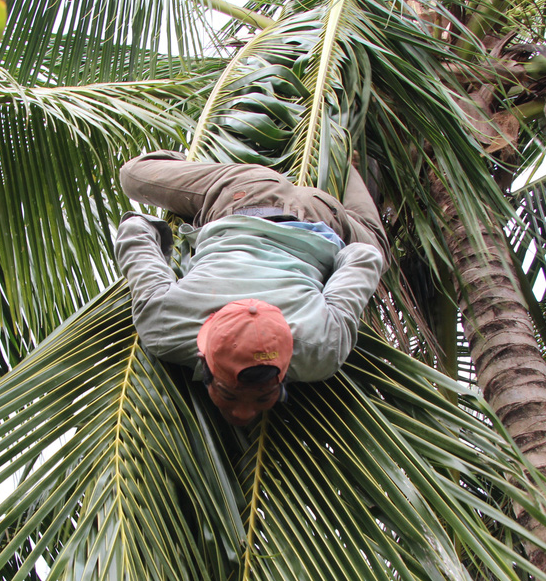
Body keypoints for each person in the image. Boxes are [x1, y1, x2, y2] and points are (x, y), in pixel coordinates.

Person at [114, 150, 388, 426]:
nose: (243, 415)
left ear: (204, 356)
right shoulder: (164, 324)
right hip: (241, 197)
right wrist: (166, 240)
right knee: (132, 176)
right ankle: (343, 157)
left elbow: (363, 256)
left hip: (309, 210)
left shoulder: (322, 349)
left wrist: (328, 261)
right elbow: (135, 228)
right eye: (261, 397)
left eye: (229, 395)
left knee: (376, 244)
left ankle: (348, 161)